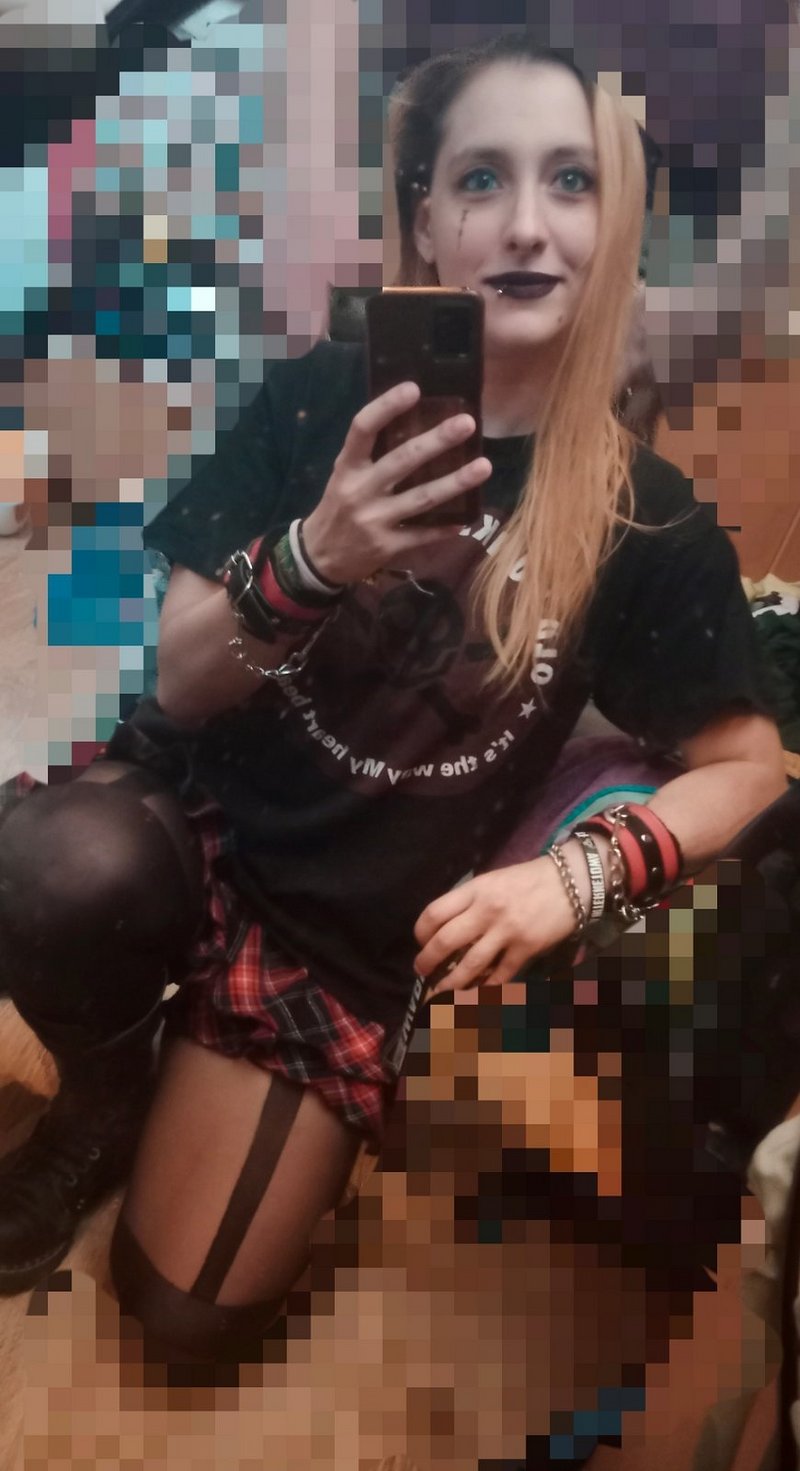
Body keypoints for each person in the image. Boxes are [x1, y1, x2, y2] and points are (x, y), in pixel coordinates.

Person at [0, 33, 786, 1363]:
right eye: (481, 179)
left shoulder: (644, 520)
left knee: (183, 1316)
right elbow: (179, 678)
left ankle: (190, 1062)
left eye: (572, 181)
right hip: (189, 826)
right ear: (424, 220)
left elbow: (750, 765)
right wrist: (318, 555)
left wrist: (580, 875)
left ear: (616, 225)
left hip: (345, 935)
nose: (526, 223)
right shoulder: (318, 399)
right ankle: (105, 1083)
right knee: (55, 865)